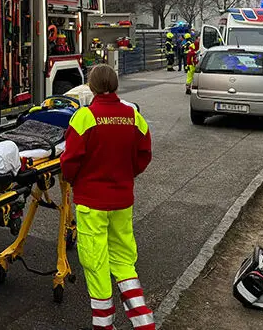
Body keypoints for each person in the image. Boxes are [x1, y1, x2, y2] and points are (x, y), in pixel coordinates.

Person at [60, 64, 155, 330]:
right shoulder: (133, 116)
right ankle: (143, 322)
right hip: (122, 201)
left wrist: (75, 181)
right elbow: (144, 154)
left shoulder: (84, 117)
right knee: (124, 261)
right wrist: (126, 174)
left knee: (96, 263)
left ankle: (104, 325)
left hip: (91, 204)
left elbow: (69, 162)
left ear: (91, 87)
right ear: (115, 85)